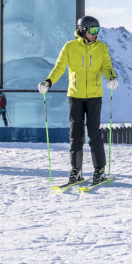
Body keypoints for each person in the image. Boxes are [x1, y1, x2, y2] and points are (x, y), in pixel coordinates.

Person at [39, 15, 118, 187]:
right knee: (75, 134)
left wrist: (111, 77)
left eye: (98, 30)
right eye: (93, 30)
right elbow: (59, 67)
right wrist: (49, 81)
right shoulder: (70, 47)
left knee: (94, 133)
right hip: (75, 95)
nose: (96, 34)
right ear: (83, 30)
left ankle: (99, 170)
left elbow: (106, 66)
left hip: (95, 96)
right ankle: (76, 170)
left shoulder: (101, 47)